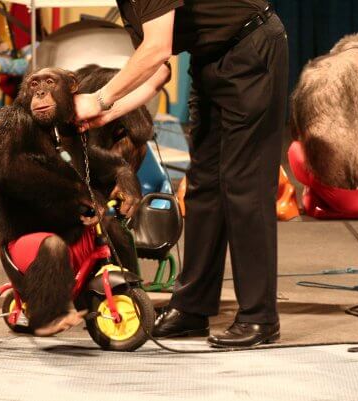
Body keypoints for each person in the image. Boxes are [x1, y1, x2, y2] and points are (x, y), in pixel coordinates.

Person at [74, 1, 289, 347]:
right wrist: (105, 113)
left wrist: (99, 99)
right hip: (212, 60)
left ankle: (259, 317)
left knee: (243, 185)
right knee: (203, 186)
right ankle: (192, 308)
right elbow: (157, 70)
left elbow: (157, 47)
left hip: (251, 49)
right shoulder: (128, 5)